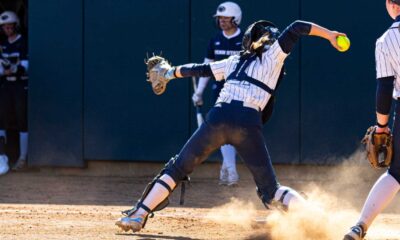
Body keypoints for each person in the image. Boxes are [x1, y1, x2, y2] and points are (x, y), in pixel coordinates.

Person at [116, 19, 346, 233]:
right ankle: (313, 218)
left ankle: (138, 215)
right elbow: (297, 26)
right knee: (270, 190)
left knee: (177, 169)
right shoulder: (274, 55)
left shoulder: (235, 60)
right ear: (271, 39)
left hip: (219, 116)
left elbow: (199, 69)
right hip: (248, 121)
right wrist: (330, 35)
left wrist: (169, 72)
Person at [343, 1, 400, 239]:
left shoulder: (387, 39)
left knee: (396, 174)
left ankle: (360, 226)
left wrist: (382, 126)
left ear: (391, 5)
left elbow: (385, 87)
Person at [192, 1, 244, 186]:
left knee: (231, 130)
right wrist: (199, 92)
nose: (222, 21)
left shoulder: (245, 41)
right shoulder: (215, 40)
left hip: (240, 92)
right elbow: (207, 67)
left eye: (225, 18)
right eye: (219, 18)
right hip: (219, 92)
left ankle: (229, 167)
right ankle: (230, 169)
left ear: (235, 19)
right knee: (222, 130)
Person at [0, 11, 29, 172]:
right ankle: (2, 157)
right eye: (4, 27)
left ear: (16, 26)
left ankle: (23, 157)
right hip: (6, 87)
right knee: (1, 120)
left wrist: (14, 68)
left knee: (21, 121)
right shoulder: (2, 45)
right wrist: (3, 71)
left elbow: (26, 66)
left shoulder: (23, 42)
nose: (7, 29)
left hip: (20, 86)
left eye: (10, 26)